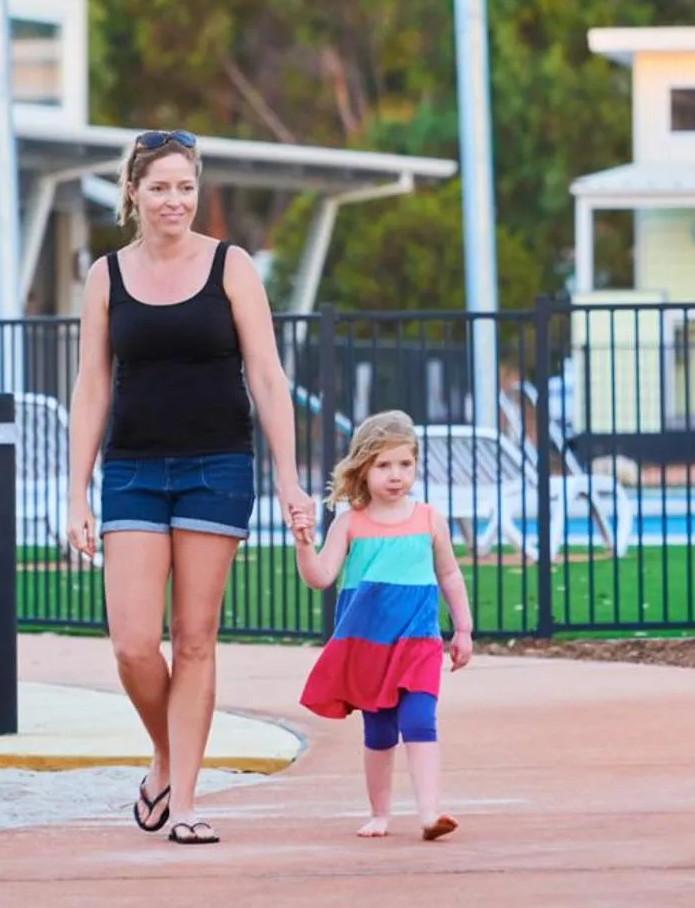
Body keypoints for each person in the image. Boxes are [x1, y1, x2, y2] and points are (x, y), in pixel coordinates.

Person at [67, 130, 316, 846]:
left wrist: (289, 477)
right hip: (133, 470)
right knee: (132, 644)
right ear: (134, 193)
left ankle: (183, 804)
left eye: (185, 187)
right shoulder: (106, 276)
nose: (174, 200)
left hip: (216, 467)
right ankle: (169, 754)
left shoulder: (231, 266)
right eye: (160, 188)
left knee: (195, 639)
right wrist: (76, 491)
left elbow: (267, 376)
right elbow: (92, 385)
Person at [294, 410, 474, 840]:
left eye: (405, 464)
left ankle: (429, 814)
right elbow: (320, 575)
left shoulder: (429, 519)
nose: (396, 475)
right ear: (363, 467)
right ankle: (380, 813)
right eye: (383, 465)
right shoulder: (349, 523)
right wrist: (303, 544)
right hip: (369, 647)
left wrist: (463, 628)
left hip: (418, 642)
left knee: (419, 720)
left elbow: (449, 574)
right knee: (378, 732)